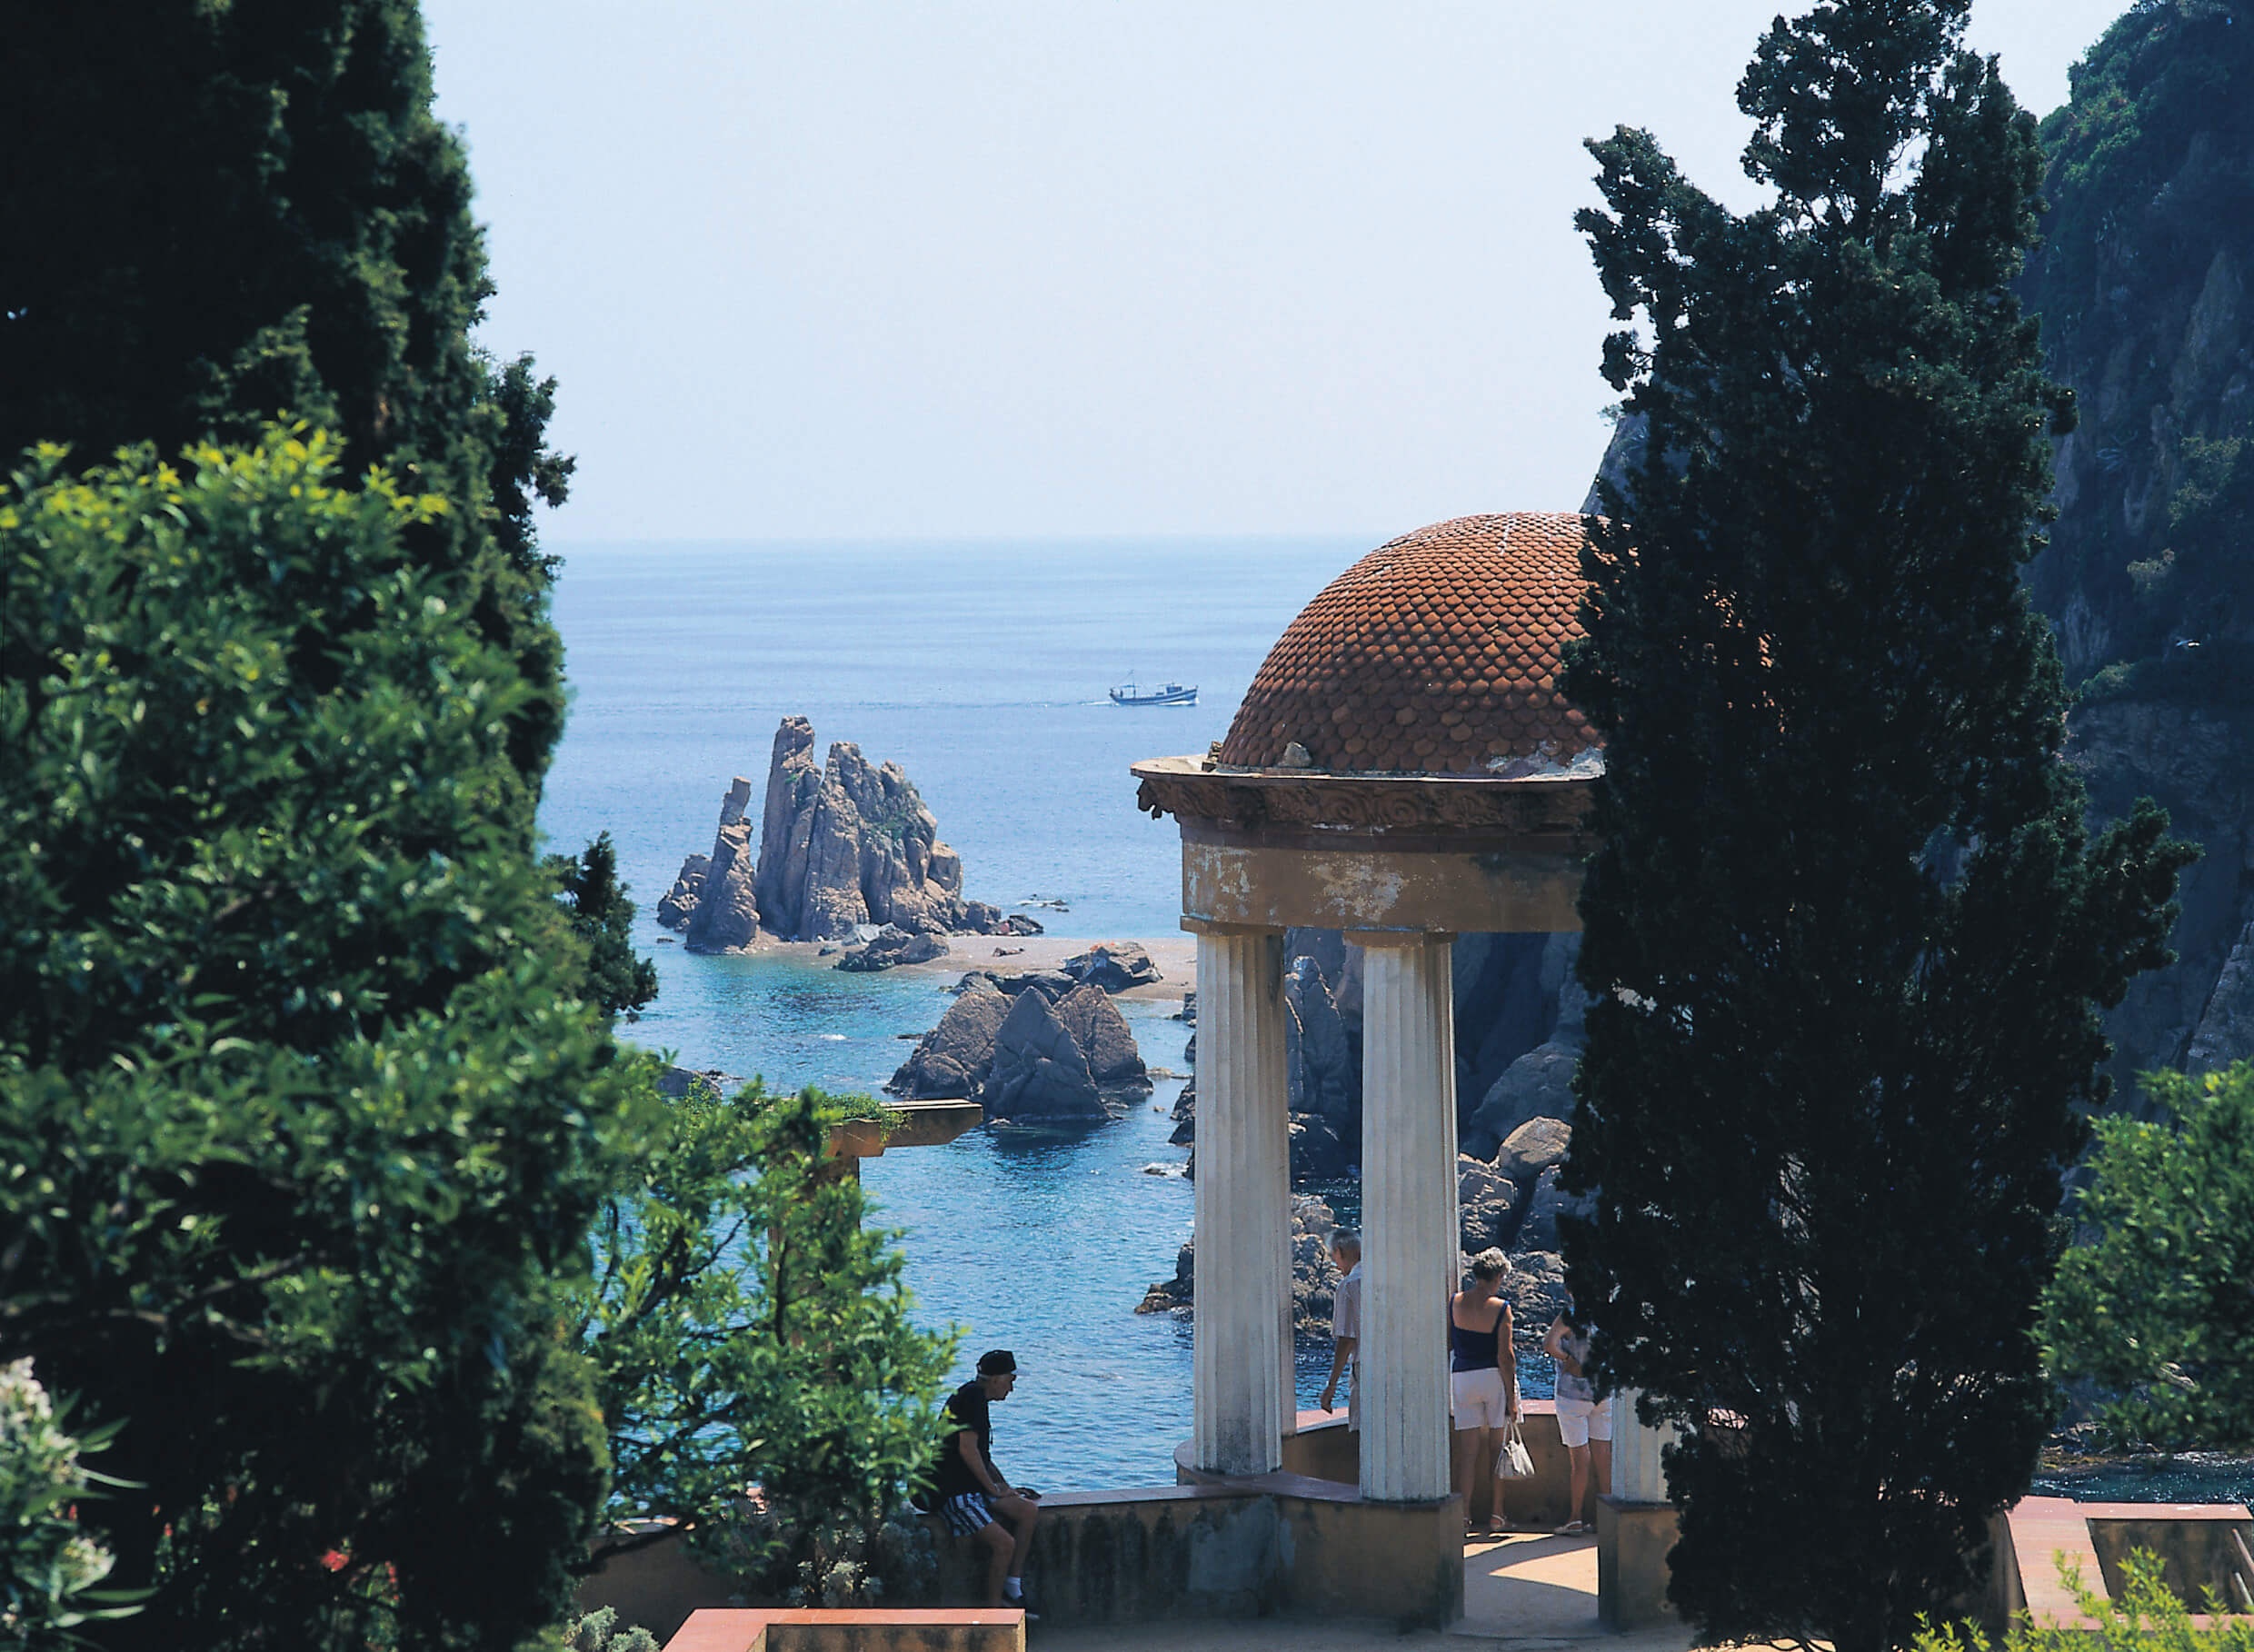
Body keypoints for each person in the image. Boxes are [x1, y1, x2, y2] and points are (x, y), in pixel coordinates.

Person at [934, 1349, 1042, 1612]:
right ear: (995, 1379)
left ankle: (1013, 1587)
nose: (1011, 1389)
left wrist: (1005, 1488)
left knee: (1027, 1510)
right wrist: (992, 1489)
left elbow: (983, 1457)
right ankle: (994, 1615)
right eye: (1010, 1381)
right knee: (1005, 1544)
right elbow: (967, 1450)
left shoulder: (977, 1399)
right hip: (955, 1493)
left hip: (973, 1488)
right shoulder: (971, 1399)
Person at [1450, 1248, 1518, 1537]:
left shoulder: (1455, 1302)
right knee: (1496, 1450)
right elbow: (1506, 1357)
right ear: (1499, 1276)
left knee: (1468, 1453)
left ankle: (1463, 1517)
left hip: (1463, 1377)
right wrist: (1512, 1398)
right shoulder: (1501, 1308)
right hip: (1492, 1377)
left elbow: (1449, 1341)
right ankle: (1497, 1515)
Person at [1545, 1305, 1612, 1536]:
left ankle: (1575, 1518)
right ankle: (1608, 1519)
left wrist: (1568, 1360)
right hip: (1602, 1392)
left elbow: (1549, 1344)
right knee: (1603, 1456)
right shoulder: (1607, 1314)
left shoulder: (1570, 1315)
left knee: (1580, 1460)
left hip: (1572, 1395)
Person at [1317, 1228, 1361, 1429]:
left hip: (1366, 1370)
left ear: (1340, 1252)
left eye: (1333, 1256)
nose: (1335, 1264)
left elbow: (1346, 1339)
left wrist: (1332, 1385)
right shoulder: (1384, 1277)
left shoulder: (1349, 1285)